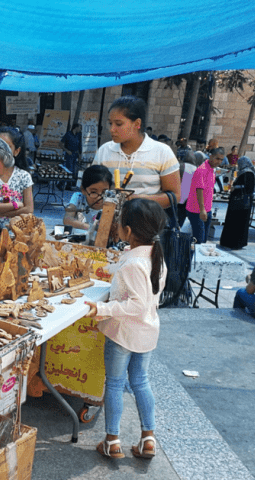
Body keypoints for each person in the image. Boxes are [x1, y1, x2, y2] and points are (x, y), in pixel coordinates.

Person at [85, 198, 167, 460]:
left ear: (128, 231)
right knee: (141, 382)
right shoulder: (154, 255)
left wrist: (102, 308)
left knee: (115, 384)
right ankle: (148, 439)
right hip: (146, 332)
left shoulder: (133, 263)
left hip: (123, 333)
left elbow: (137, 304)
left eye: (120, 223)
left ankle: (112, 440)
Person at [93, 95, 180, 210]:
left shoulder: (162, 152)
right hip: (109, 219)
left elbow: (175, 196)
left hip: (147, 220)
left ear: (137, 124)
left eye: (118, 124)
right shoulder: (104, 151)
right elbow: (93, 190)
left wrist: (135, 200)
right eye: (110, 123)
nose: (112, 129)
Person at [0, 127, 34, 229]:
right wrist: (16, 205)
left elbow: (29, 209)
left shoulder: (24, 176)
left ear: (16, 151)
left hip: (17, 231)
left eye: (7, 147)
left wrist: (1, 212)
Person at [62, 164, 113, 244]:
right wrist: (93, 228)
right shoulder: (78, 198)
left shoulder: (111, 204)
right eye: (93, 192)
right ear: (83, 190)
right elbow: (67, 219)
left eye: (105, 192)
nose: (99, 197)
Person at [186, 147, 224, 243]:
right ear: (211, 156)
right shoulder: (201, 170)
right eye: (217, 158)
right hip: (197, 210)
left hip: (207, 209)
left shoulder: (212, 170)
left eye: (221, 159)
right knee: (199, 240)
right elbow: (199, 190)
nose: (219, 162)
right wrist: (202, 209)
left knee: (204, 240)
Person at [219, 156, 255, 250]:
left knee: (237, 223)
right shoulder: (244, 172)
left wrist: (235, 187)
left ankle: (234, 243)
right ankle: (229, 242)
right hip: (238, 203)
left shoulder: (248, 173)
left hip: (241, 204)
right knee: (234, 222)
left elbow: (248, 188)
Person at [177, 151, 198, 227]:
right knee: (182, 218)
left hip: (178, 196)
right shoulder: (197, 169)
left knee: (176, 217)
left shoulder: (180, 166)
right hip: (189, 199)